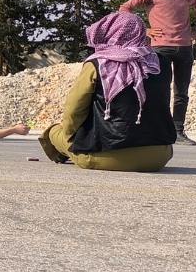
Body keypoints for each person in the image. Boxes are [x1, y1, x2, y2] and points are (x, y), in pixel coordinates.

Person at [39, 13, 175, 172]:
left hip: (106, 156)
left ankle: (66, 153)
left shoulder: (98, 64)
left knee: (53, 132)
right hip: (158, 156)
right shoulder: (161, 63)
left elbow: (74, 110)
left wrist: (70, 136)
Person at [118, 0, 196, 145]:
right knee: (159, 91)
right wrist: (144, 30)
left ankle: (177, 131)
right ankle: (155, 131)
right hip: (159, 49)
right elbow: (124, 9)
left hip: (185, 49)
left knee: (181, 92)